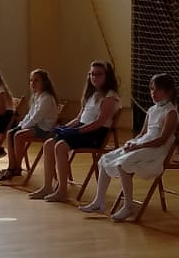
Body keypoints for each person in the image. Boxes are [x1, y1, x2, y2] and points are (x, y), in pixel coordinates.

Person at [80, 74, 179, 222]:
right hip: (144, 144)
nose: (153, 93)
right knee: (105, 158)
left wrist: (139, 145)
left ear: (168, 91)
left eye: (158, 90)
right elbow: (143, 133)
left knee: (123, 164)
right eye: (151, 89)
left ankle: (128, 206)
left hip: (156, 150)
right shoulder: (152, 110)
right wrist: (131, 142)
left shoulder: (170, 112)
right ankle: (99, 202)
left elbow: (161, 140)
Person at [30, 61, 121, 203]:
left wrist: (77, 131)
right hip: (83, 129)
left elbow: (99, 122)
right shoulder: (91, 94)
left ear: (107, 76)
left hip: (95, 133)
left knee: (60, 146)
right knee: (48, 144)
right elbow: (79, 118)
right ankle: (47, 186)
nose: (94, 77)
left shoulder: (111, 96)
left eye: (99, 74)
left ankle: (62, 191)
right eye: (92, 74)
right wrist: (64, 128)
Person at [0, 68, 60, 183]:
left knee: (18, 135)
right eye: (31, 80)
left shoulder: (46, 98)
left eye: (36, 80)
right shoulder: (37, 96)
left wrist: (22, 128)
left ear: (44, 82)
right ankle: (12, 166)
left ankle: (16, 167)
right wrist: (21, 125)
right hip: (36, 126)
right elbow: (29, 115)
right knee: (10, 133)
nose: (32, 83)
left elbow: (36, 118)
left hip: (45, 129)